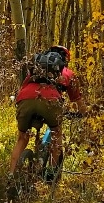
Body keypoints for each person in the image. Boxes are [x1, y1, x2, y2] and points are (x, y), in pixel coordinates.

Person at [8, 45, 87, 183]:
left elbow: (25, 88)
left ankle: (11, 176)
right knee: (56, 134)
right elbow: (77, 99)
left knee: (22, 138)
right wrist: (84, 113)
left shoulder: (35, 71)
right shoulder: (67, 73)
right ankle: (50, 174)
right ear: (64, 61)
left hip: (25, 99)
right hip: (50, 101)